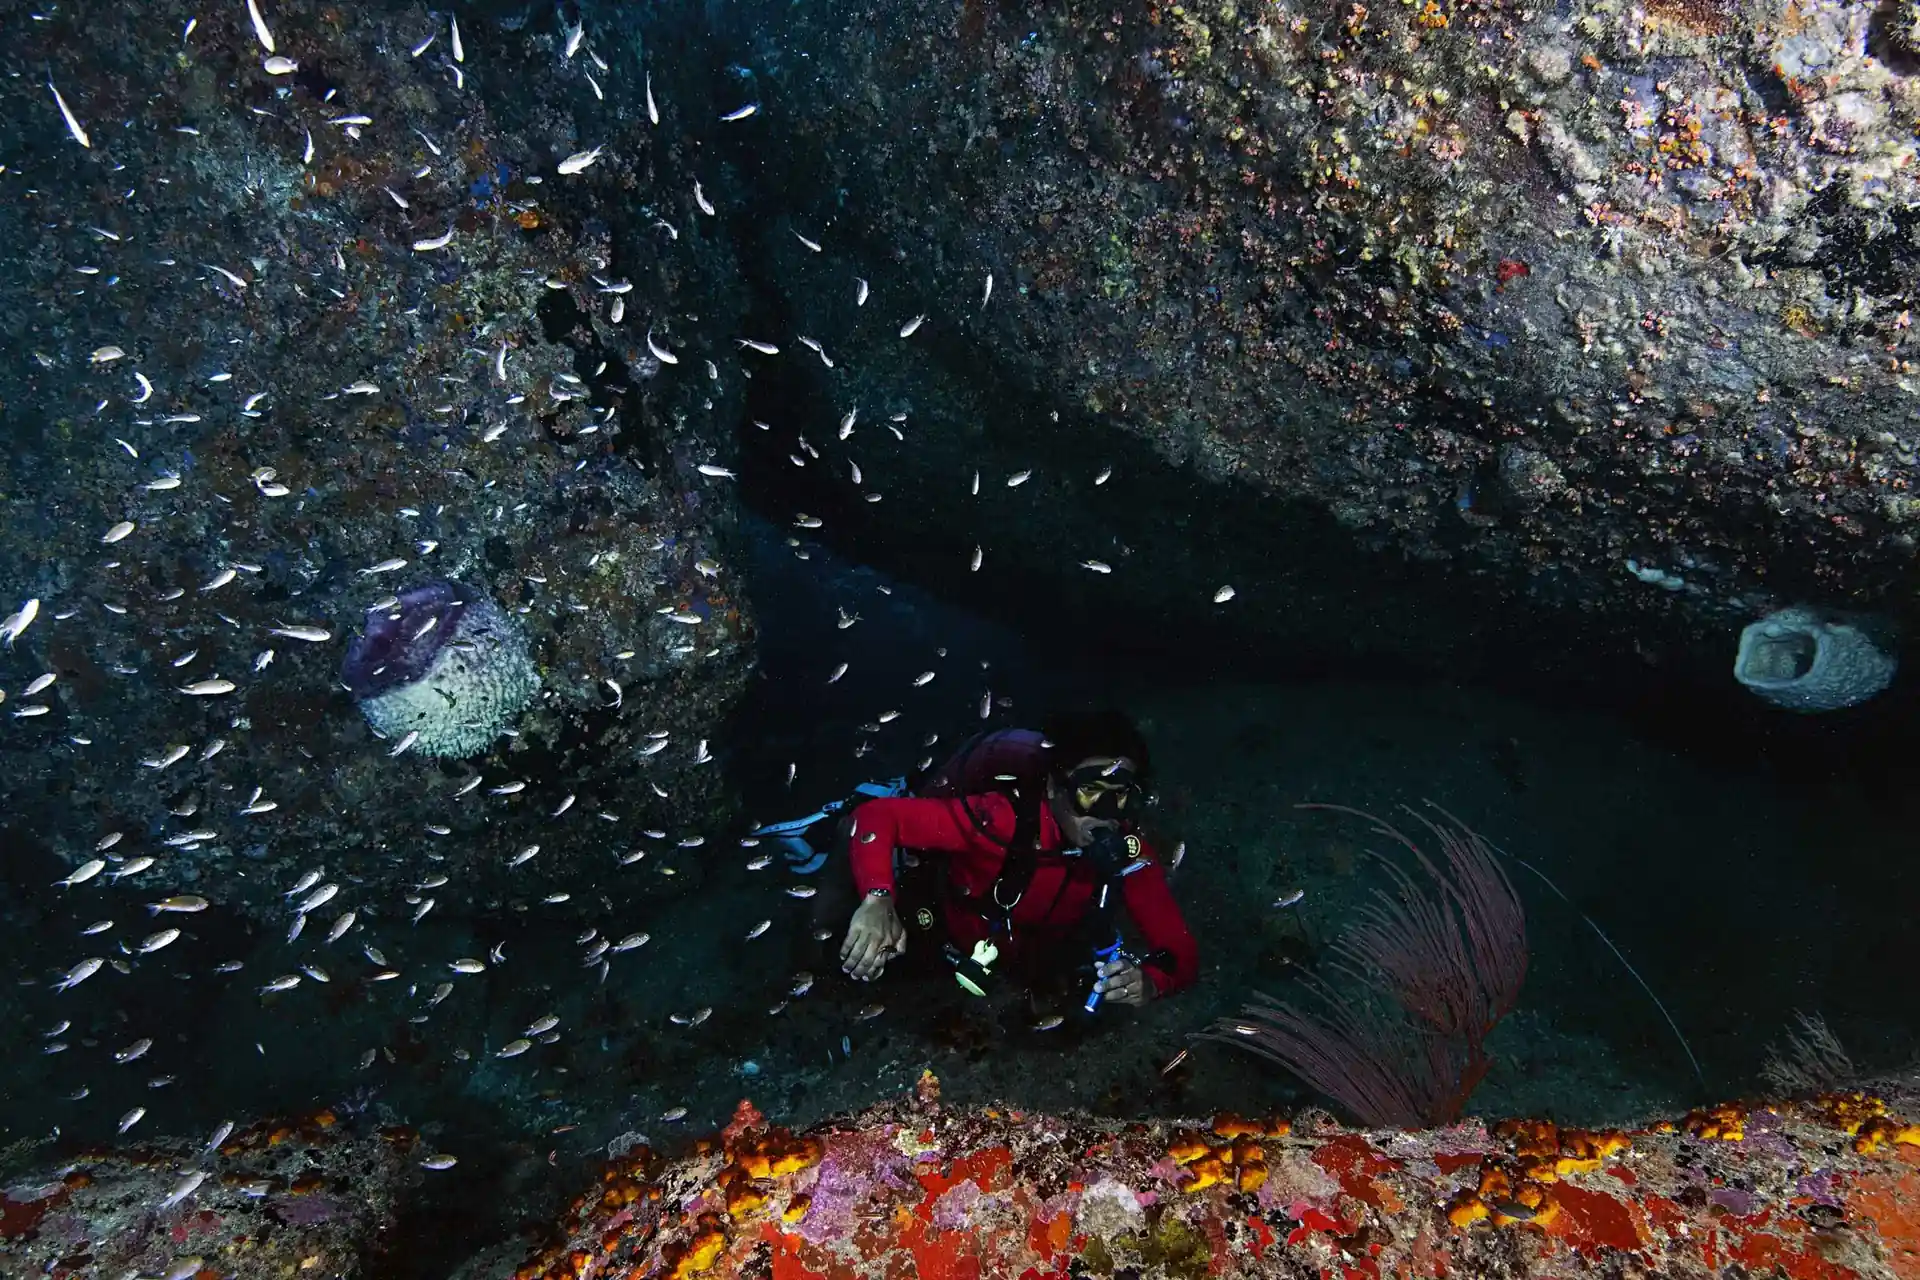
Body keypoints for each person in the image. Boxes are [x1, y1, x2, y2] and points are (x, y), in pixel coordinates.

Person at [836, 709, 1199, 1008]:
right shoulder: (1002, 820)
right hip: (946, 937)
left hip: (1030, 963)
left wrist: (1149, 982)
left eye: (1118, 795)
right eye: (1089, 791)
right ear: (1054, 787)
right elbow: (876, 817)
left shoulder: (1127, 850)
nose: (1105, 813)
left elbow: (1179, 952)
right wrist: (877, 898)